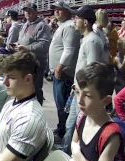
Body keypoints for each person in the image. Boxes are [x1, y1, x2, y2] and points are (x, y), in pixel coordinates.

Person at [61, 5, 105, 154]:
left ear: (85, 22)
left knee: (75, 125)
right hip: (78, 90)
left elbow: (92, 72)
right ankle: (67, 153)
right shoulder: (86, 39)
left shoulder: (92, 41)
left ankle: (68, 155)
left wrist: (82, 91)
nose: (74, 20)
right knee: (71, 124)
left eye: (77, 18)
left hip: (82, 93)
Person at [49, 0, 81, 140]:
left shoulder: (69, 27)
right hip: (60, 72)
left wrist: (59, 67)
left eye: (59, 9)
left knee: (63, 105)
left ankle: (64, 133)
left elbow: (69, 51)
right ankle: (61, 128)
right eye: (55, 9)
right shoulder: (63, 25)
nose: (56, 11)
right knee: (60, 104)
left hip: (64, 73)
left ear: (68, 11)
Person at [16, 2, 52, 105]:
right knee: (26, 88)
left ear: (36, 12)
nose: (27, 13)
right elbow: (24, 40)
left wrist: (26, 48)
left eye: (30, 11)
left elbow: (44, 44)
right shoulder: (25, 24)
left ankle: (38, 111)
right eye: (26, 11)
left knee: (35, 88)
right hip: (25, 61)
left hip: (36, 63)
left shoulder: (42, 25)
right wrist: (18, 44)